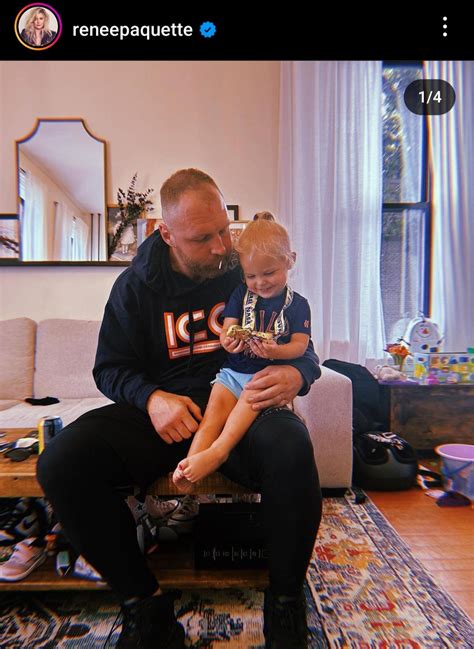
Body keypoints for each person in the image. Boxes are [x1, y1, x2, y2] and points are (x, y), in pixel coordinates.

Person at [37, 169, 323, 649]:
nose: (219, 248)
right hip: (167, 414)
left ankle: (286, 606)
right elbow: (108, 369)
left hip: (239, 405)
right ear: (165, 233)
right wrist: (151, 398)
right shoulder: (133, 288)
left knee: (292, 446)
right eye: (201, 238)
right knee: (62, 463)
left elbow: (301, 343)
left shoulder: (247, 267)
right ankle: (146, 608)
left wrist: (300, 374)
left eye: (222, 231)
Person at [173, 215, 311, 493]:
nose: (260, 282)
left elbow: (300, 346)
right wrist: (230, 342)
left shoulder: (298, 305)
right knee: (212, 417)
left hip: (262, 378)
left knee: (237, 418)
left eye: (269, 273)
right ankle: (189, 467)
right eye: (251, 276)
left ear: (290, 260)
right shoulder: (240, 295)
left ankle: (219, 452)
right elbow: (227, 331)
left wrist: (277, 350)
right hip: (231, 373)